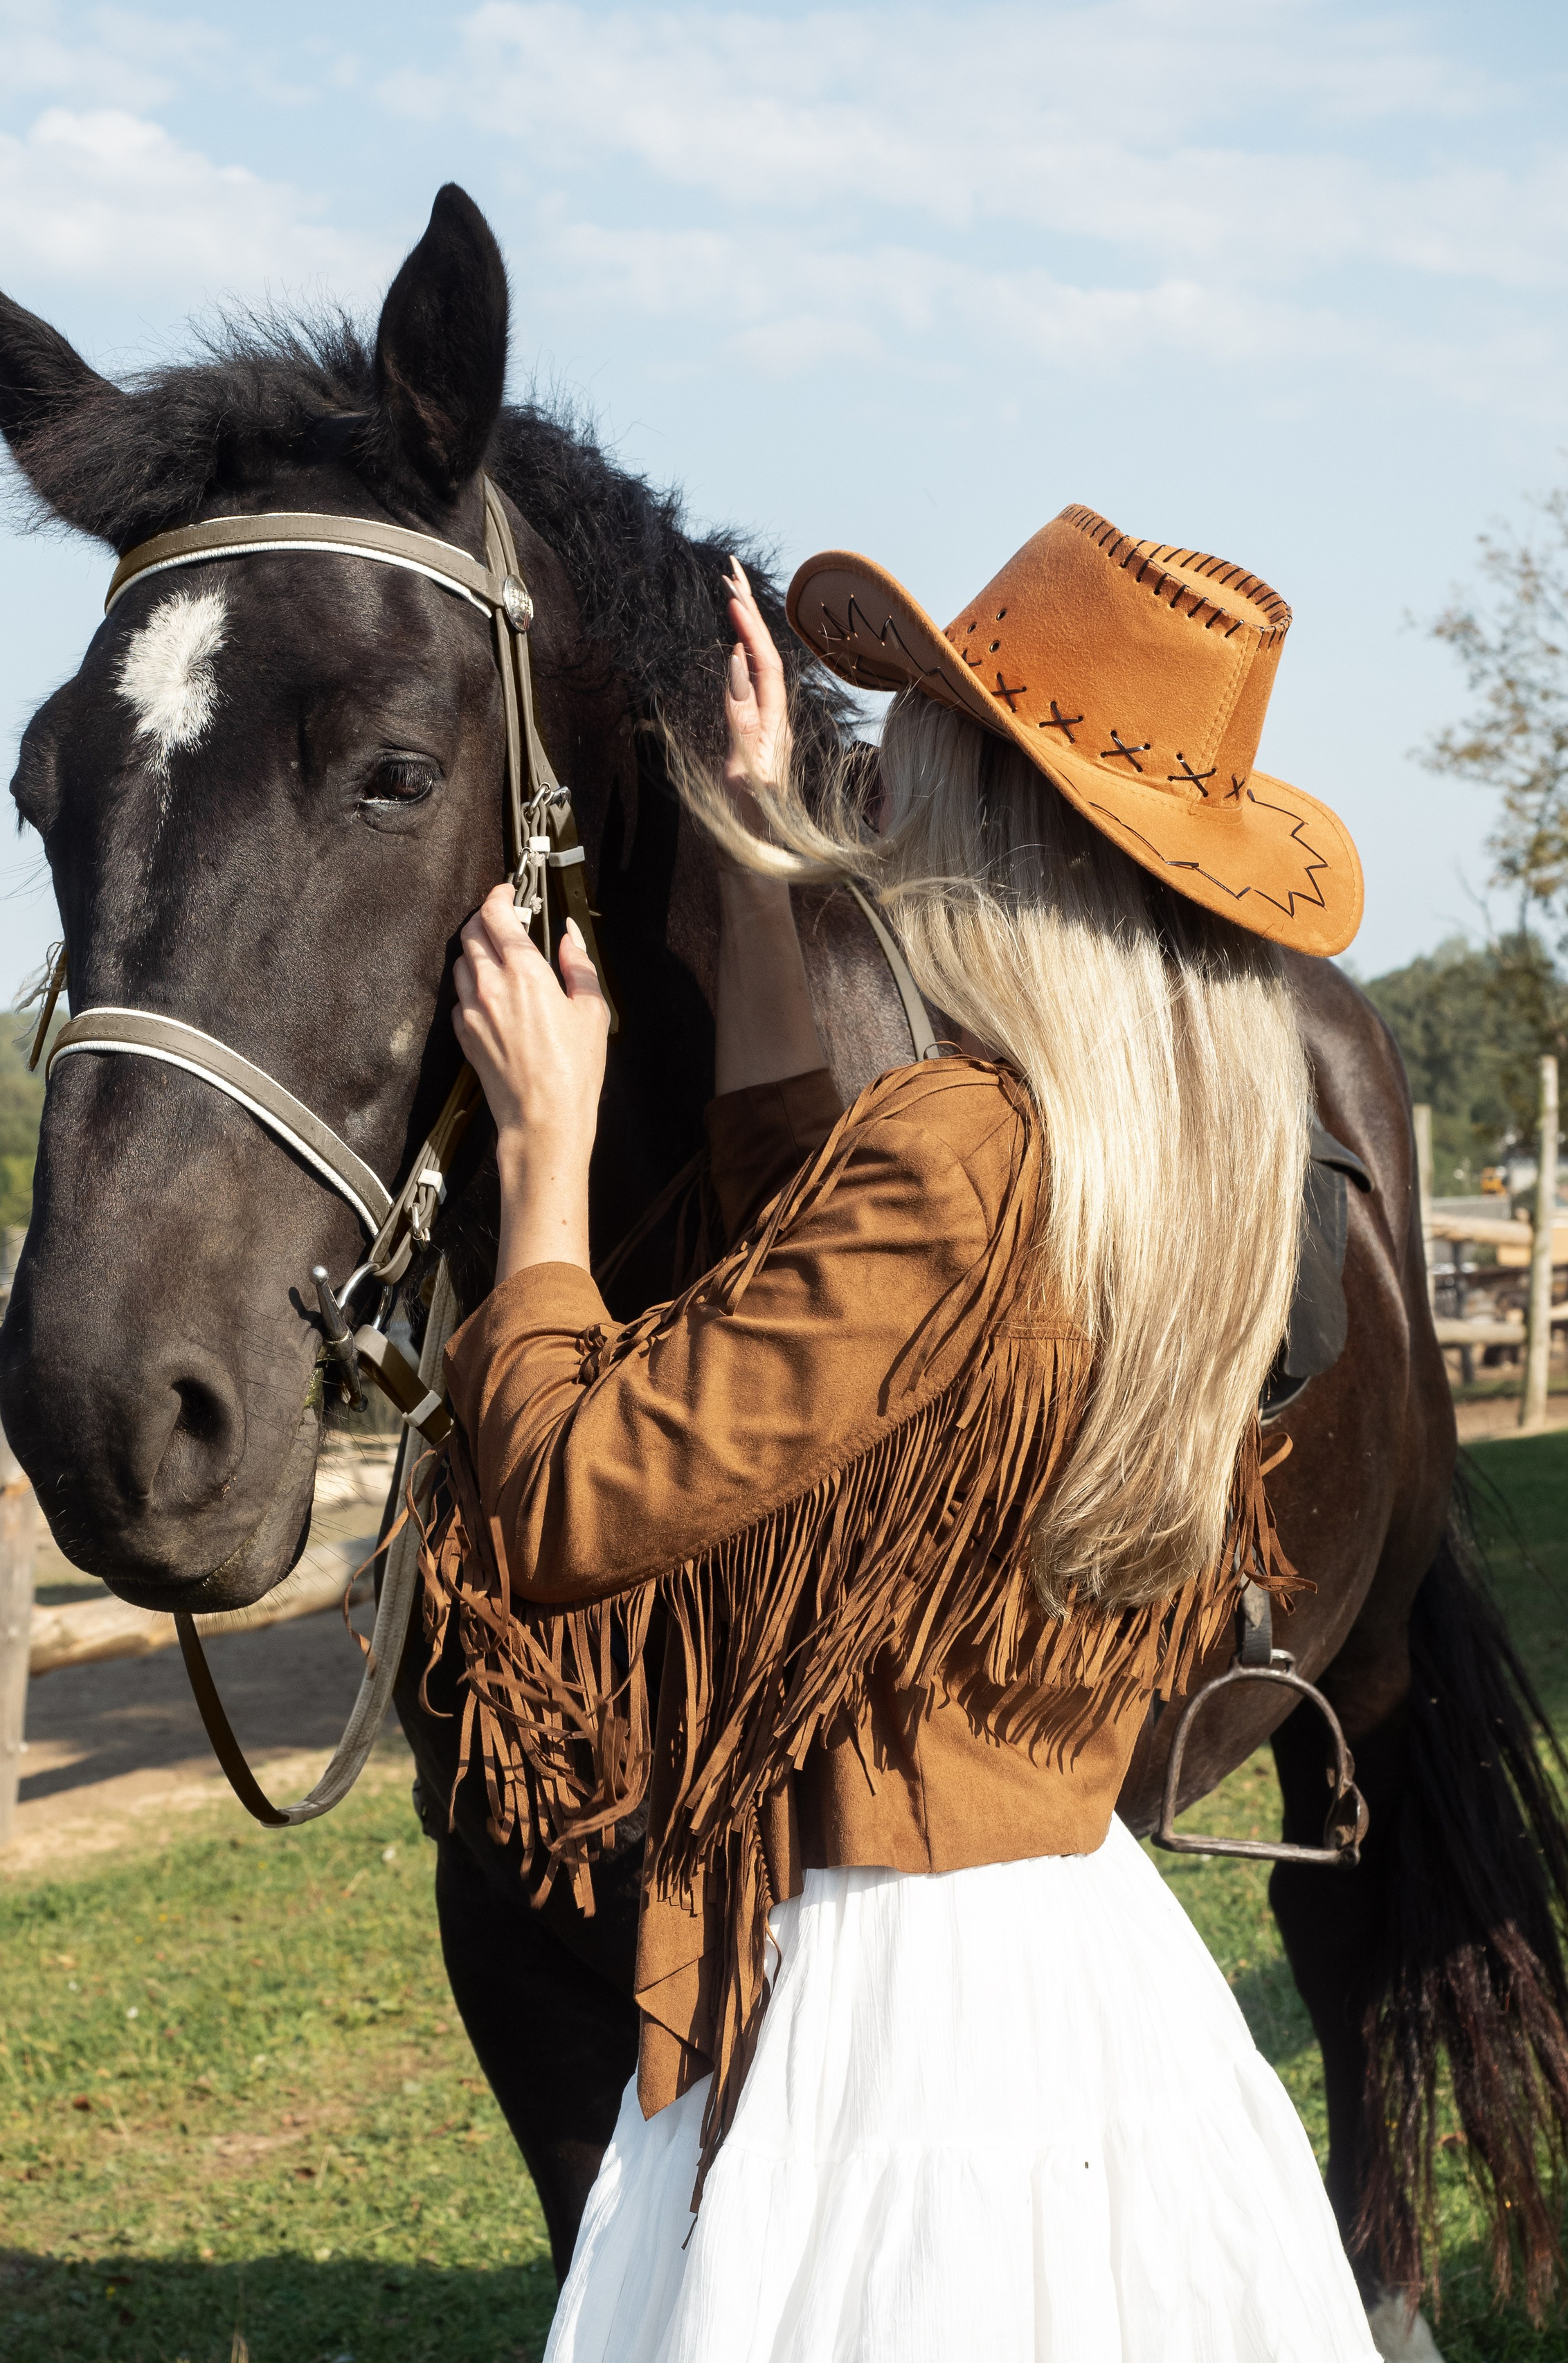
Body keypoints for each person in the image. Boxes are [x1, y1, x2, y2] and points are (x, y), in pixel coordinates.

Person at [426, 509, 1378, 2360]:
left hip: (878, 2002)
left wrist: (542, 1179)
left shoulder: (964, 1148)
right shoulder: (1184, 1176)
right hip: (1082, 1963)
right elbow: (841, 1294)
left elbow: (563, 1499)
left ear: (1000, 819)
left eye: (923, 743)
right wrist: (757, 845)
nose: (889, 779)